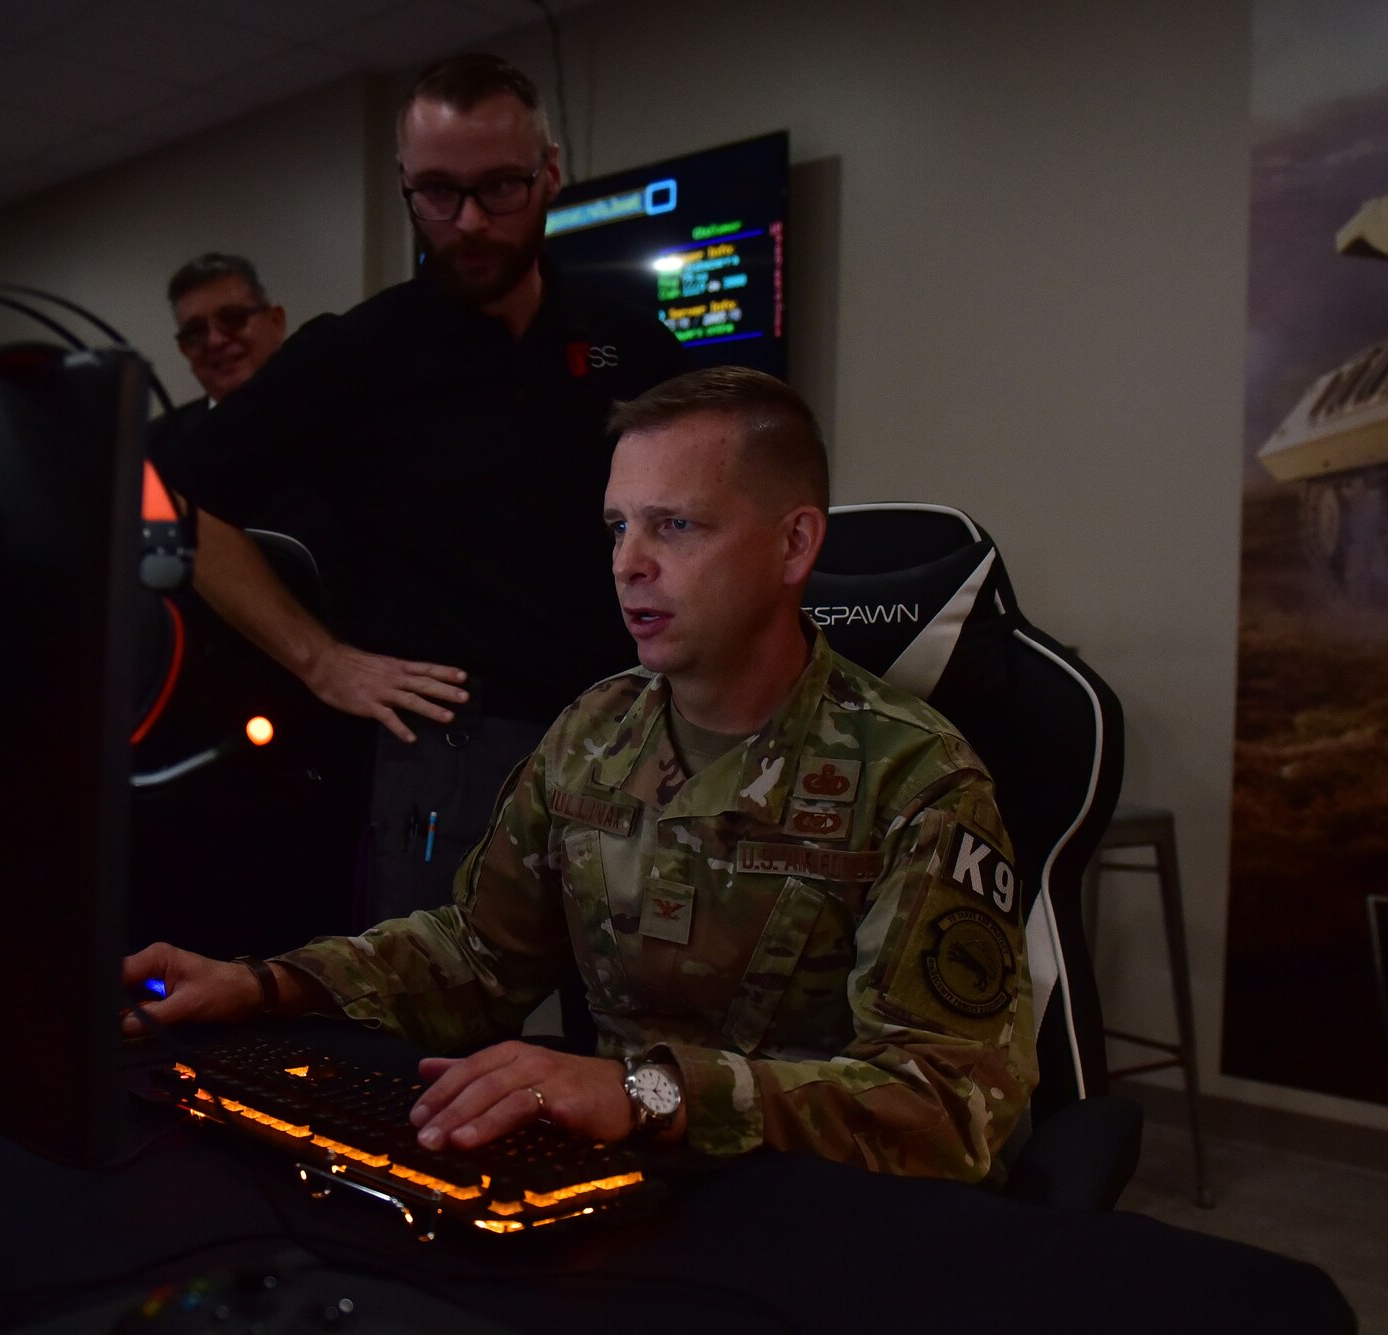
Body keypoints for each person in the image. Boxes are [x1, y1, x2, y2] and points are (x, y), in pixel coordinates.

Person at [124, 367, 1037, 1183]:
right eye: (617, 527)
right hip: (620, 1193)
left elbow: (952, 1109)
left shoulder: (917, 776)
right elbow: (476, 959)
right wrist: (264, 984)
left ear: (795, 547)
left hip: (816, 1216)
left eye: (674, 526)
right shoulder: (595, 732)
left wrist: (647, 1094)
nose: (627, 565)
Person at [179, 54, 688, 923]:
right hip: (452, 758)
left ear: (550, 174)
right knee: (439, 1047)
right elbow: (174, 506)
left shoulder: (624, 341)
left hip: (635, 737)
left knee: (628, 1031)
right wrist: (322, 660)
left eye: (500, 189)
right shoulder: (358, 353)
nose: (471, 223)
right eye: (438, 195)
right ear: (405, 187)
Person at [147, 253, 288, 495]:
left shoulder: (338, 417)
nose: (214, 340)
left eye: (232, 318)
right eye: (195, 331)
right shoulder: (151, 447)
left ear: (276, 322)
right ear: (184, 349)